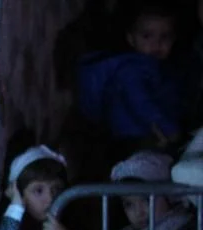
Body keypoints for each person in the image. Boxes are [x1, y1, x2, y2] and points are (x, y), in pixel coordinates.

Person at [77, 0, 187, 162]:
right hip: (133, 138)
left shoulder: (161, 67)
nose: (156, 44)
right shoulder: (130, 69)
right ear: (131, 39)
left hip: (148, 133)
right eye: (147, 36)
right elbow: (141, 102)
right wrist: (168, 128)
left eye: (165, 37)